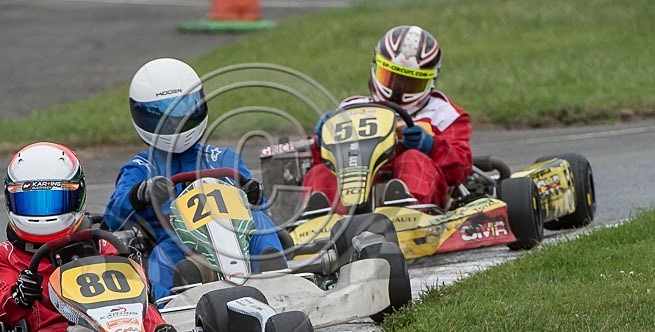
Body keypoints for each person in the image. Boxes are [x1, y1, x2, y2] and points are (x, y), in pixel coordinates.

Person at [0, 141, 170, 332]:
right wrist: (19, 295)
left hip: (116, 319)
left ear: (77, 196)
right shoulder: (4, 255)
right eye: (32, 203)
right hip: (54, 327)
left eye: (54, 202)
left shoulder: (101, 242)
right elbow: (1, 308)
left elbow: (137, 285)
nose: (43, 215)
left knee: (146, 314)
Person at [103, 58, 286, 301]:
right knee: (163, 258)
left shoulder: (223, 158)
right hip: (179, 244)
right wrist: (140, 193)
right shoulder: (140, 167)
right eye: (162, 115)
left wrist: (254, 193)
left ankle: (280, 280)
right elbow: (112, 217)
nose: (175, 123)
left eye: (182, 111)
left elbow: (258, 204)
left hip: (235, 235)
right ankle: (170, 304)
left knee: (260, 221)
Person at [303, 25, 473, 211]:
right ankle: (320, 219)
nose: (396, 90)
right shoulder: (350, 109)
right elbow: (323, 161)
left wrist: (430, 145)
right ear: (376, 68)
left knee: (413, 159)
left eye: (410, 82)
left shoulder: (443, 114)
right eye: (390, 77)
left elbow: (461, 168)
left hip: (420, 199)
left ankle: (406, 206)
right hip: (355, 189)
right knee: (321, 172)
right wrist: (322, 141)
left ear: (430, 81)